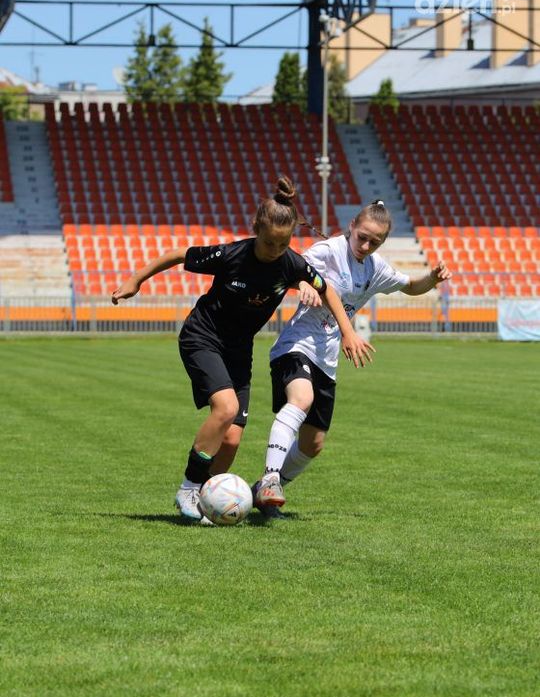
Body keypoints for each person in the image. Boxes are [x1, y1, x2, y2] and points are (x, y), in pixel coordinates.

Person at [112, 177, 368, 523]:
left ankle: (208, 503)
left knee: (231, 439)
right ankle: (189, 488)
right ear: (256, 230)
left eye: (283, 244)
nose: (275, 250)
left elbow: (327, 289)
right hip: (203, 336)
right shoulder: (231, 254)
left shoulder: (291, 263)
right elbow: (178, 255)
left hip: (238, 349)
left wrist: (346, 329)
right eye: (269, 242)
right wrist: (135, 281)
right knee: (226, 408)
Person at [254, 199, 452, 516]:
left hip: (327, 360)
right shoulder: (328, 250)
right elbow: (290, 268)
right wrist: (303, 283)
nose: (366, 245)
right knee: (301, 399)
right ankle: (270, 478)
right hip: (297, 345)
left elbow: (411, 286)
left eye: (375, 242)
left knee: (313, 445)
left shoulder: (375, 268)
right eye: (362, 237)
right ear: (352, 226)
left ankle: (259, 494)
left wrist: (432, 278)